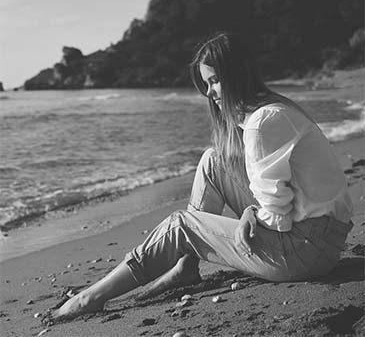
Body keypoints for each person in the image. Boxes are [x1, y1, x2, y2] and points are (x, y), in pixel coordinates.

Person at [51, 32, 353, 321]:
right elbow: (283, 202)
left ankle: (90, 298)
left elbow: (278, 217)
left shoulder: (263, 122)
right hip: (318, 239)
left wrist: (253, 215)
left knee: (180, 225)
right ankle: (186, 266)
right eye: (206, 83)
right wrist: (253, 212)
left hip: (304, 252)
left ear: (237, 75)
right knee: (214, 160)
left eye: (215, 81)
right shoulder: (273, 111)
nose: (209, 92)